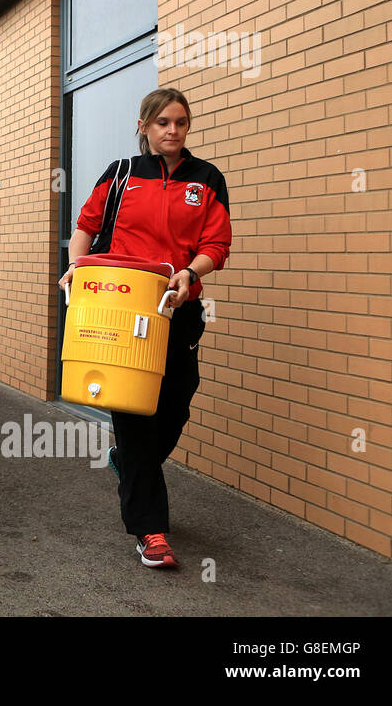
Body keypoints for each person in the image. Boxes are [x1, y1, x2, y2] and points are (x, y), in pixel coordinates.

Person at [59, 88, 232, 569]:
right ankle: (150, 532)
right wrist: (78, 268)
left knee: (176, 402)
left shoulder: (206, 179)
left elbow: (216, 243)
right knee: (135, 417)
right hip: (123, 313)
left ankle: (131, 463)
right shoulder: (121, 175)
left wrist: (191, 273)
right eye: (162, 123)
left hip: (175, 312)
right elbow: (84, 229)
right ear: (144, 126)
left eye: (180, 122)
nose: (172, 130)